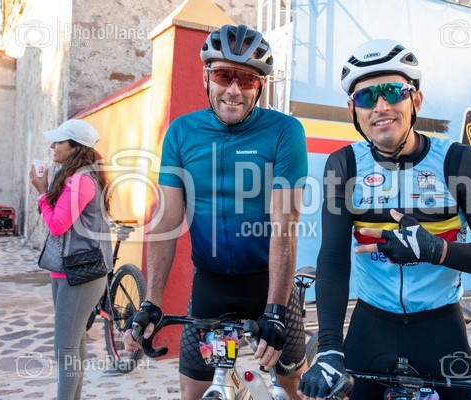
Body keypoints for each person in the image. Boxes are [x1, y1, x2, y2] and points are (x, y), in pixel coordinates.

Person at [297, 39, 471, 400]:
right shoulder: (344, 164)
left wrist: (436, 250)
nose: (381, 106)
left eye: (392, 92)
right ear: (353, 110)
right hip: (372, 324)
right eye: (367, 97)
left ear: (415, 100)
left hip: (441, 325)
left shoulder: (458, 161)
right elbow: (334, 258)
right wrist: (329, 349)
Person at [124, 24, 308, 399]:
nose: (234, 90)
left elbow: (284, 226)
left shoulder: (284, 132)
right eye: (224, 75)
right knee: (193, 390)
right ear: (207, 76)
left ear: (260, 86)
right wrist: (152, 302)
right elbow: (167, 220)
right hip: (211, 285)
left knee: (290, 387)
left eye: (247, 79)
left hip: (268, 283)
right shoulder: (182, 132)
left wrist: (275, 310)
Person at [31, 119, 113, 400]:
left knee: (64, 348)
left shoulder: (80, 180)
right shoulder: (73, 177)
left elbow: (57, 225)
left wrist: (42, 193)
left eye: (59, 142)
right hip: (66, 271)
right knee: (74, 344)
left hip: (82, 274)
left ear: (75, 147)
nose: (53, 146)